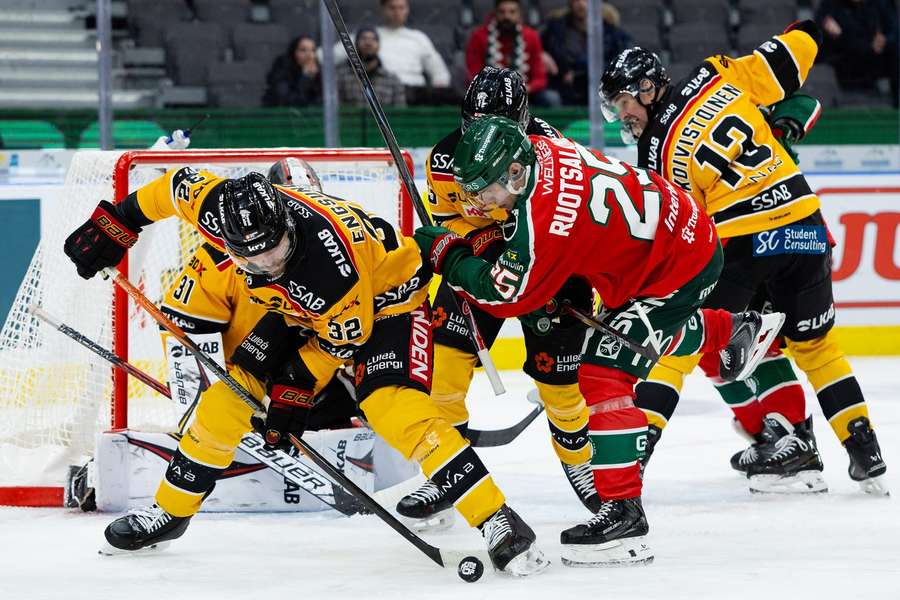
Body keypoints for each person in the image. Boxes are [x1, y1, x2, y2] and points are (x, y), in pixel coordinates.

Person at [62, 164, 548, 575]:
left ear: (287, 228)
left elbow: (336, 345)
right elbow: (171, 187)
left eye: (273, 250)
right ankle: (171, 512)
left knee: (395, 409)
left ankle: (496, 518)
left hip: (387, 304)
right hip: (299, 309)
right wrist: (116, 223)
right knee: (226, 400)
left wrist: (291, 394)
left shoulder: (331, 273)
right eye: (250, 255)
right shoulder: (221, 208)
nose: (264, 262)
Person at [413, 115, 782, 566]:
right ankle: (732, 329)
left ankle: (624, 515)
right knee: (630, 337)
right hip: (669, 239)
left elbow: (507, 295)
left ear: (514, 171)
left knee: (603, 374)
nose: (483, 204)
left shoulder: (545, 213)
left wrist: (448, 255)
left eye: (487, 192)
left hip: (677, 266)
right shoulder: (540, 146)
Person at [600, 21, 888, 495]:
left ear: (648, 90)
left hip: (744, 239)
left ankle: (634, 453)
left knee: (682, 340)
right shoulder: (718, 75)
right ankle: (861, 451)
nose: (620, 115)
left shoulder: (657, 149)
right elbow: (796, 53)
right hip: (804, 225)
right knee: (813, 348)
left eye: (623, 102)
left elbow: (679, 230)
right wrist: (810, 28)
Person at [395, 66, 595, 534]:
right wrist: (471, 246)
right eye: (473, 124)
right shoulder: (445, 158)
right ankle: (448, 474)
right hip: (479, 271)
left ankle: (583, 465)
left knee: (560, 386)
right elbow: (449, 221)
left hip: (548, 269)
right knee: (442, 375)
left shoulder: (556, 155)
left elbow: (576, 226)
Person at [465, 0, 558, 107]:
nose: (507, 17)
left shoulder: (531, 36)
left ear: (519, 14)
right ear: (495, 13)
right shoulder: (479, 36)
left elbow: (540, 78)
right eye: (502, 12)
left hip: (525, 92)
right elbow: (474, 74)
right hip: (490, 93)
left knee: (551, 98)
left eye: (512, 12)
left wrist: (525, 88)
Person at [541, 0, 632, 105]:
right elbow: (535, 42)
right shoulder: (556, 28)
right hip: (562, 88)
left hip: (599, 89)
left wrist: (581, 73)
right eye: (576, 0)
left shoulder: (612, 33)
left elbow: (621, 61)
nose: (581, 4)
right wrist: (541, 53)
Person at [816, 0, 898, 106]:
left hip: (872, 68)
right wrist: (840, 36)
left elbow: (893, 32)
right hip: (840, 68)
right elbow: (821, 29)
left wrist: (884, 40)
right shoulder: (830, 6)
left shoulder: (879, 4)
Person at [376, 0, 453, 104]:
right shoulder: (369, 37)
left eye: (401, 8)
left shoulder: (419, 38)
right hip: (381, 95)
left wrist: (436, 96)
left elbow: (440, 72)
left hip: (415, 95)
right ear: (383, 10)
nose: (397, 12)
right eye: (392, 8)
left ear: (407, 10)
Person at [337, 27, 406, 108]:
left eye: (373, 39)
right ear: (355, 45)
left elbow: (400, 112)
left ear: (379, 46)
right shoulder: (341, 77)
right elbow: (334, 108)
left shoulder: (392, 80)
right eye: (363, 39)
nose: (368, 43)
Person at [262, 36, 323, 108]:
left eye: (313, 50)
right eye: (303, 50)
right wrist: (305, 78)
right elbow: (287, 101)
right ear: (294, 53)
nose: (309, 55)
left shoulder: (319, 73)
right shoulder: (283, 71)